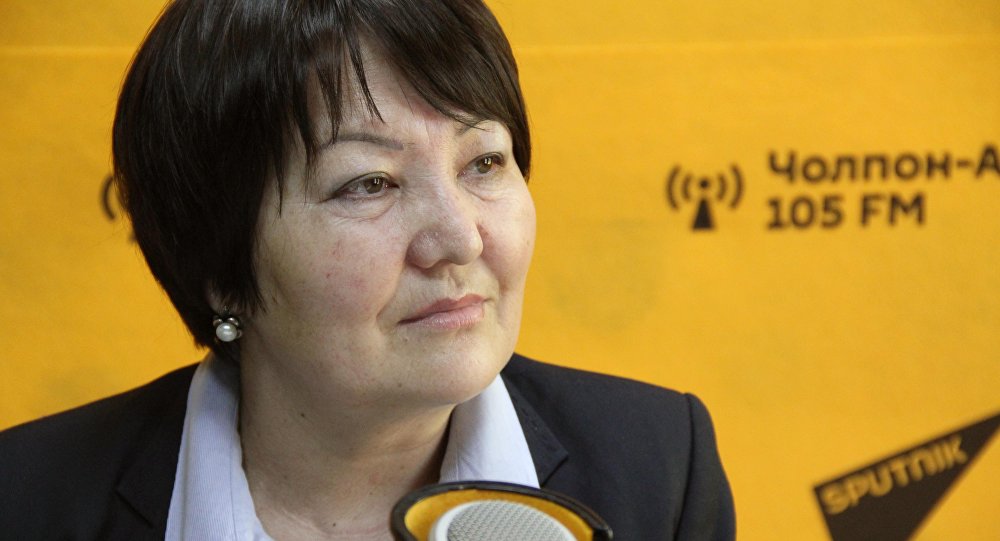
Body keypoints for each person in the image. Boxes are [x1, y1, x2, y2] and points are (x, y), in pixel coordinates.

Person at [0, 0, 735, 539]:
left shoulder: (658, 469)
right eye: (369, 184)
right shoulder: (28, 500)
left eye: (484, 163)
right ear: (220, 265)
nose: (459, 238)